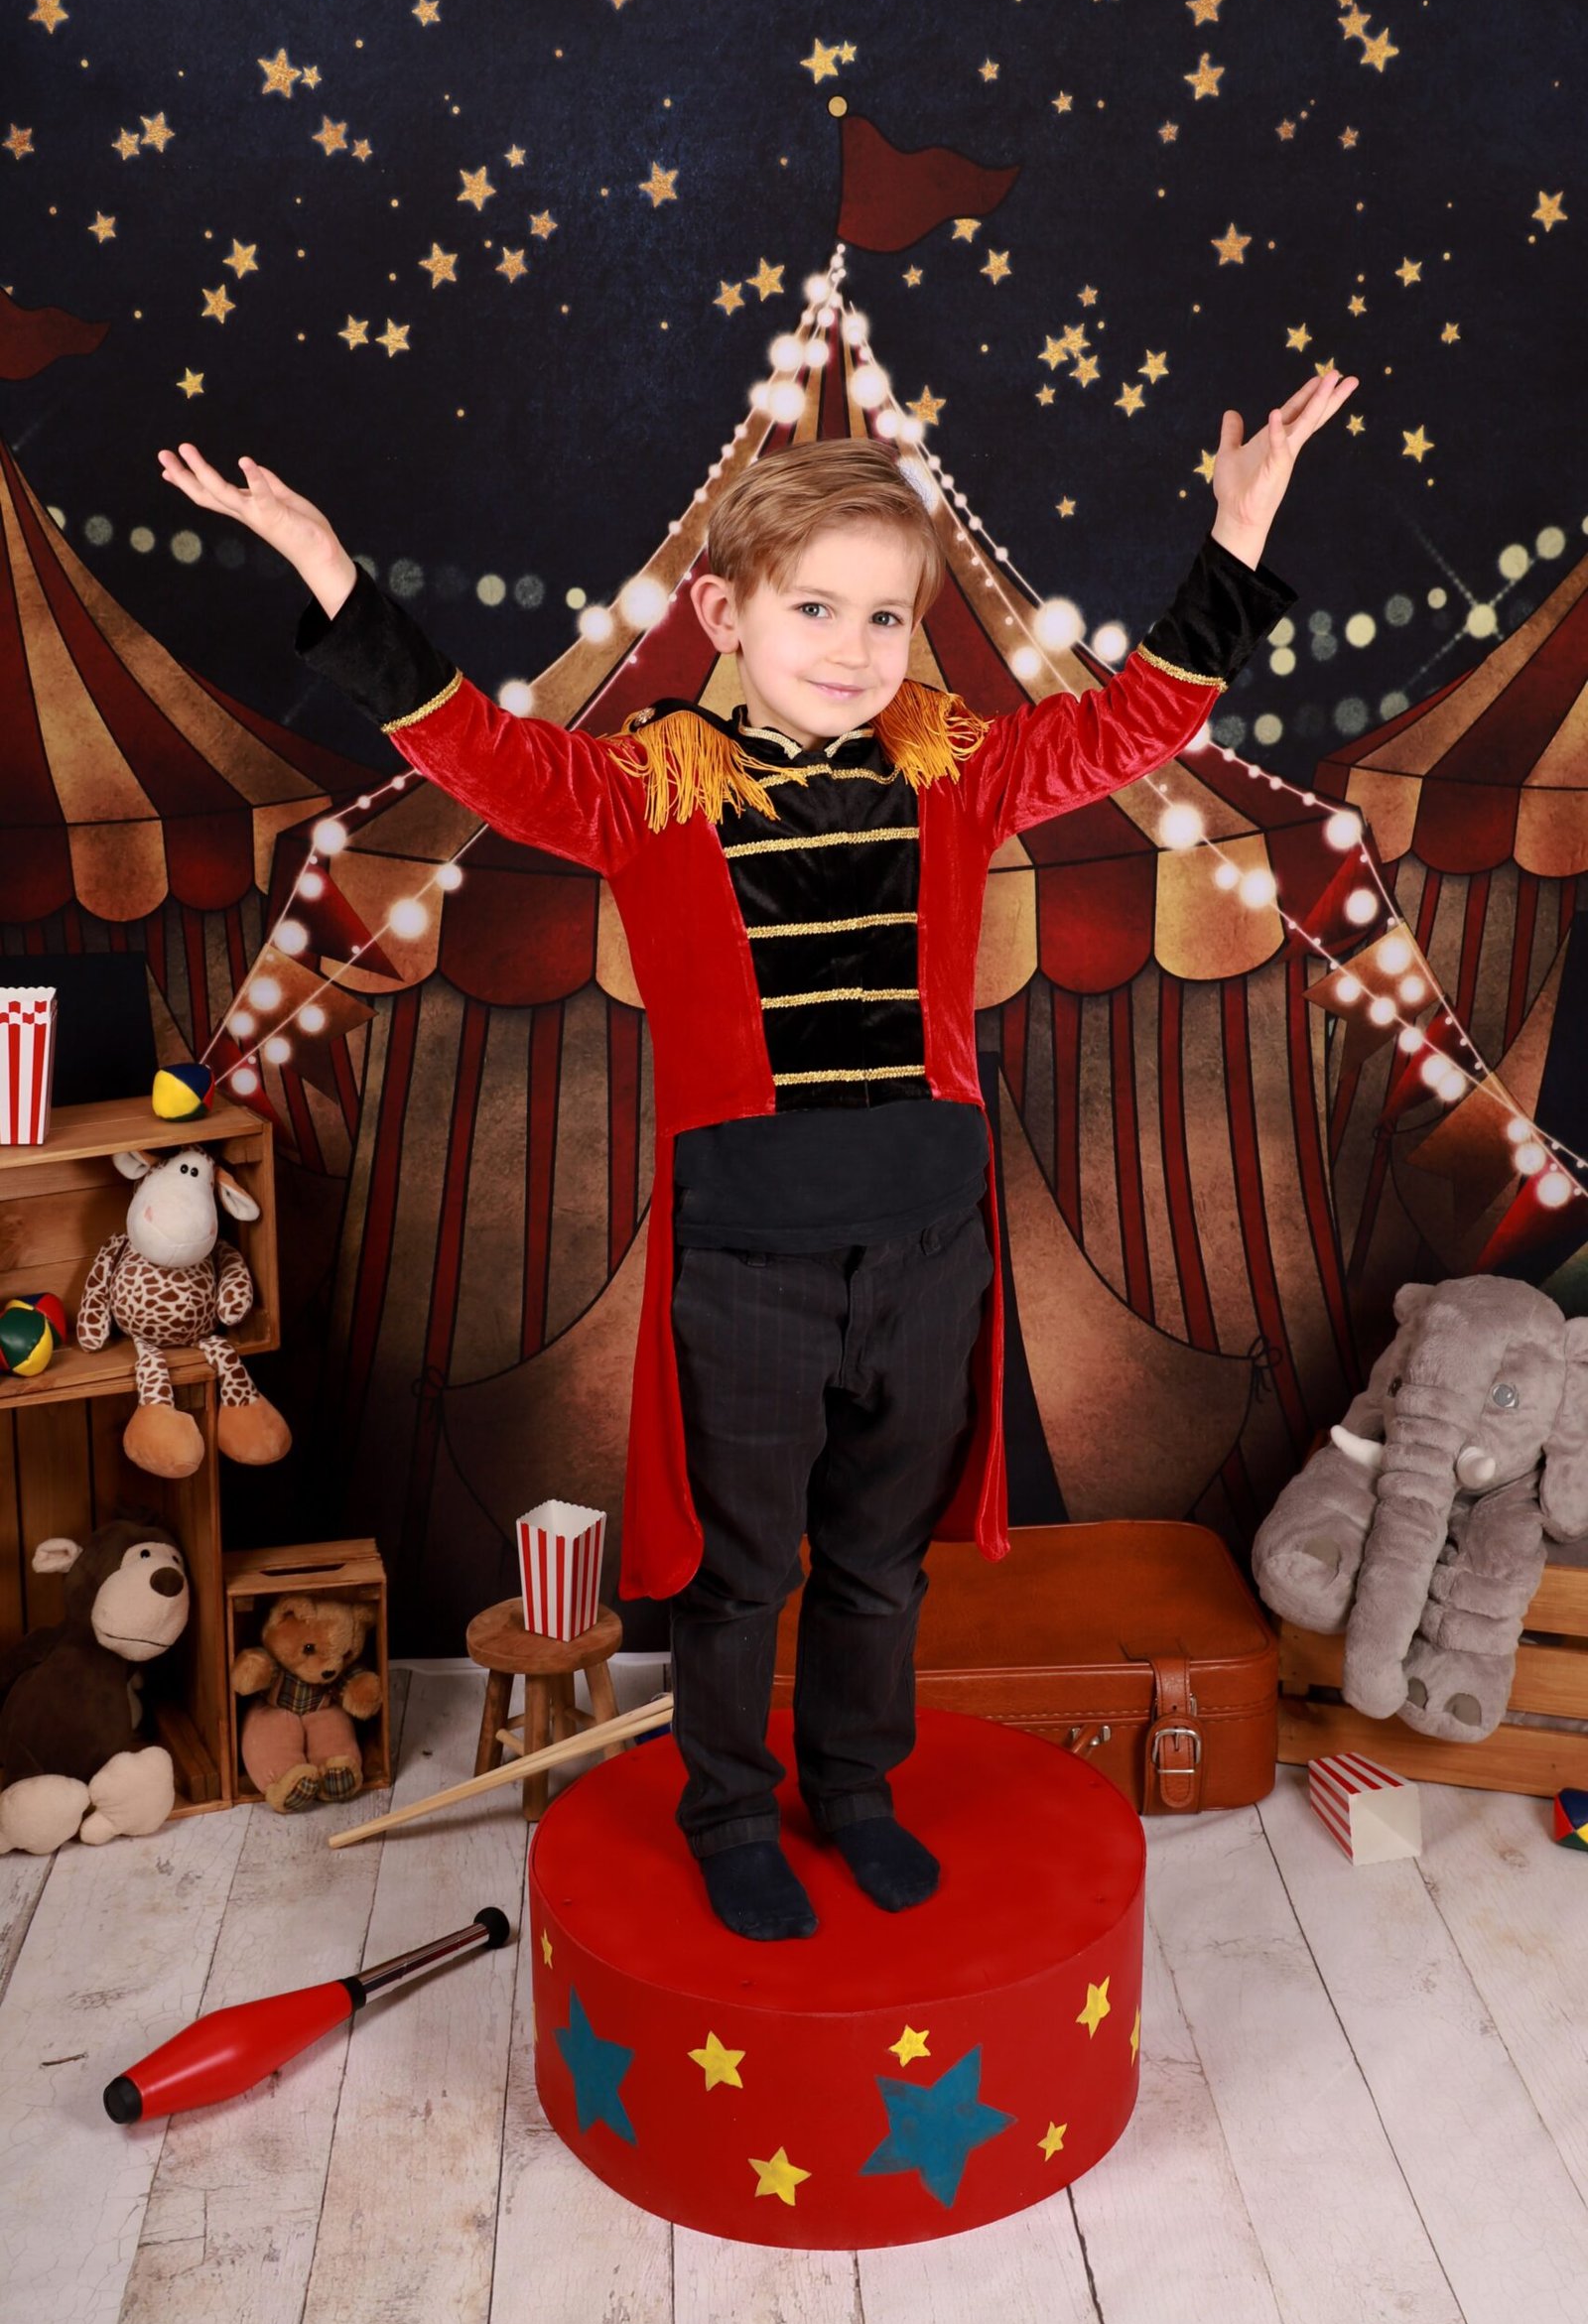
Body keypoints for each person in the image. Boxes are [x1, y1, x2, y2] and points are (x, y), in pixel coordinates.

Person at [157, 371, 1355, 1941]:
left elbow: (1138, 722)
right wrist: (330, 571)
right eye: (816, 608)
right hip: (748, 1265)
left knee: (880, 1562)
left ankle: (854, 1785)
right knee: (737, 1572)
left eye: (886, 616)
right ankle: (727, 1804)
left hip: (928, 1249)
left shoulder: (954, 769)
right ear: (724, 611)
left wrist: (1237, 536)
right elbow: (476, 751)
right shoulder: (646, 789)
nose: (854, 649)